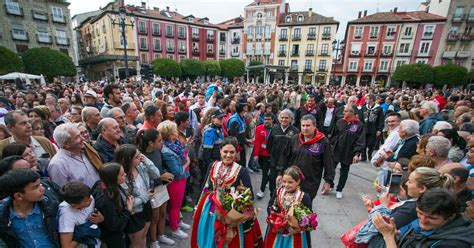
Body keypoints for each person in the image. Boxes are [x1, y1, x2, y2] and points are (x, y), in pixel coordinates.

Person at [191, 137, 263, 247]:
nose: (228, 155)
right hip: (211, 210)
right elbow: (205, 187)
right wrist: (197, 207)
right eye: (225, 152)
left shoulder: (241, 171)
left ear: (236, 153)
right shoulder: (213, 166)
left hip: (230, 213)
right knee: (210, 238)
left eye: (232, 152)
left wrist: (239, 209)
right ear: (220, 151)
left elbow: (249, 196)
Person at [366, 167, 455, 247]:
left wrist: (383, 206)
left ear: (422, 189)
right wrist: (403, 199)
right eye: (420, 214)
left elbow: (379, 225)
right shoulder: (415, 205)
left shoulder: (412, 209)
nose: (422, 221)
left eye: (410, 181)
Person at [374, 188, 474, 247]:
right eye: (419, 213)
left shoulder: (454, 244)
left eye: (432, 218)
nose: (422, 221)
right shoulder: (428, 224)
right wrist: (395, 236)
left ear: (451, 216)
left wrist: (388, 237)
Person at [278, 114, 335, 200]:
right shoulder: (295, 139)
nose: (305, 128)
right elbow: (284, 156)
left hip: (310, 182)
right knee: (288, 205)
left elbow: (329, 163)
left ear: (314, 126)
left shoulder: (323, 142)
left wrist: (328, 181)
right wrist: (280, 173)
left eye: (308, 125)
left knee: (304, 208)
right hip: (291, 181)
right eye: (303, 125)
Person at [136, 129, 176, 246]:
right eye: (159, 141)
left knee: (163, 213)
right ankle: (153, 241)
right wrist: (161, 178)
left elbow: (160, 167)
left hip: (162, 186)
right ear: (150, 143)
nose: (161, 143)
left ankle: (161, 235)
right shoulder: (142, 157)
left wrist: (166, 176)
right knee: (155, 217)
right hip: (152, 190)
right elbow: (144, 178)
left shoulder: (157, 151)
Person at [0, 169, 61, 247]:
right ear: (18, 196)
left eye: (40, 184)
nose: (42, 189)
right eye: (35, 187)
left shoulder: (51, 206)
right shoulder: (3, 216)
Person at [115, 144, 160, 248]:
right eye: (136, 157)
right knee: (136, 242)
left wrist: (147, 161)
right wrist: (146, 196)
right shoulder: (122, 177)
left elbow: (156, 175)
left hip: (146, 206)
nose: (140, 157)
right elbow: (129, 202)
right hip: (134, 212)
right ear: (127, 160)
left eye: (140, 154)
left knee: (144, 235)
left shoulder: (140, 166)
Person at [157, 120, 191, 239]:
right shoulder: (167, 151)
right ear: (170, 134)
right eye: (175, 130)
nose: (177, 132)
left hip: (182, 179)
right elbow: (178, 171)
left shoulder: (175, 143)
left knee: (178, 204)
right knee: (175, 206)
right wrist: (187, 162)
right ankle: (174, 228)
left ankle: (177, 222)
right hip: (176, 181)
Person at [265, 166, 312, 247]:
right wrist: (274, 219)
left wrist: (298, 226)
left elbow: (309, 217)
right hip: (277, 231)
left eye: (290, 182)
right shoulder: (277, 192)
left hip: (294, 234)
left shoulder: (304, 197)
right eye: (284, 181)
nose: (286, 185)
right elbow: (270, 206)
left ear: (298, 182)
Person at [91, 163, 134, 248]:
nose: (125, 174)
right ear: (113, 178)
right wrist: (128, 209)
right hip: (112, 237)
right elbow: (116, 225)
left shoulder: (102, 183)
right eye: (122, 174)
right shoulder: (106, 201)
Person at [48, 123, 102, 187]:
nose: (83, 139)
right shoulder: (58, 164)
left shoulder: (87, 150)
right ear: (66, 144)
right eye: (77, 137)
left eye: (80, 135)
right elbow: (62, 192)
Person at [330, 105, 365, 199]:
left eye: (346, 111)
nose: (343, 113)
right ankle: (330, 184)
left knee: (344, 172)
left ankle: (339, 189)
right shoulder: (340, 121)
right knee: (331, 168)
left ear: (353, 113)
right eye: (344, 111)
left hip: (348, 152)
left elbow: (360, 140)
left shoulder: (359, 125)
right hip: (337, 150)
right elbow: (333, 134)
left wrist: (357, 153)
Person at [58, 181, 104, 248]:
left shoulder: (87, 197)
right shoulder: (66, 216)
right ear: (74, 205)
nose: (91, 200)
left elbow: (100, 218)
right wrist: (81, 235)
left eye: (89, 197)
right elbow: (66, 246)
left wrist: (101, 218)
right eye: (86, 201)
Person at [267, 109, 300, 196]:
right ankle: (273, 200)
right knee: (273, 183)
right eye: (282, 117)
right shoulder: (274, 129)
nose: (284, 120)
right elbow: (269, 146)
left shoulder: (295, 131)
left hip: (288, 164)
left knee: (286, 186)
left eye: (286, 118)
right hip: (274, 163)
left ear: (291, 119)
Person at [254, 112, 273, 199]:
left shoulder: (275, 129)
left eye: (268, 119)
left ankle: (261, 191)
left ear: (272, 120)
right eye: (265, 119)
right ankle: (268, 179)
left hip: (270, 154)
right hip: (262, 154)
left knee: (265, 172)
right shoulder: (258, 128)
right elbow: (257, 142)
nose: (266, 121)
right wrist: (256, 154)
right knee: (263, 169)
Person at [200, 108, 225, 175]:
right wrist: (211, 166)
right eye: (219, 118)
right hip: (212, 162)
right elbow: (207, 153)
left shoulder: (219, 128)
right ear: (213, 118)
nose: (222, 120)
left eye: (222, 118)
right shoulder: (210, 132)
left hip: (218, 160)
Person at [360, 94, 384, 161]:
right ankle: (363, 156)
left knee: (371, 143)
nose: (366, 100)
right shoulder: (364, 107)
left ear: (371, 99)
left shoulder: (379, 108)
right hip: (365, 127)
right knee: (363, 143)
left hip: (373, 128)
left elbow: (381, 119)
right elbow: (361, 118)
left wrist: (379, 129)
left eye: (367, 99)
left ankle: (370, 154)